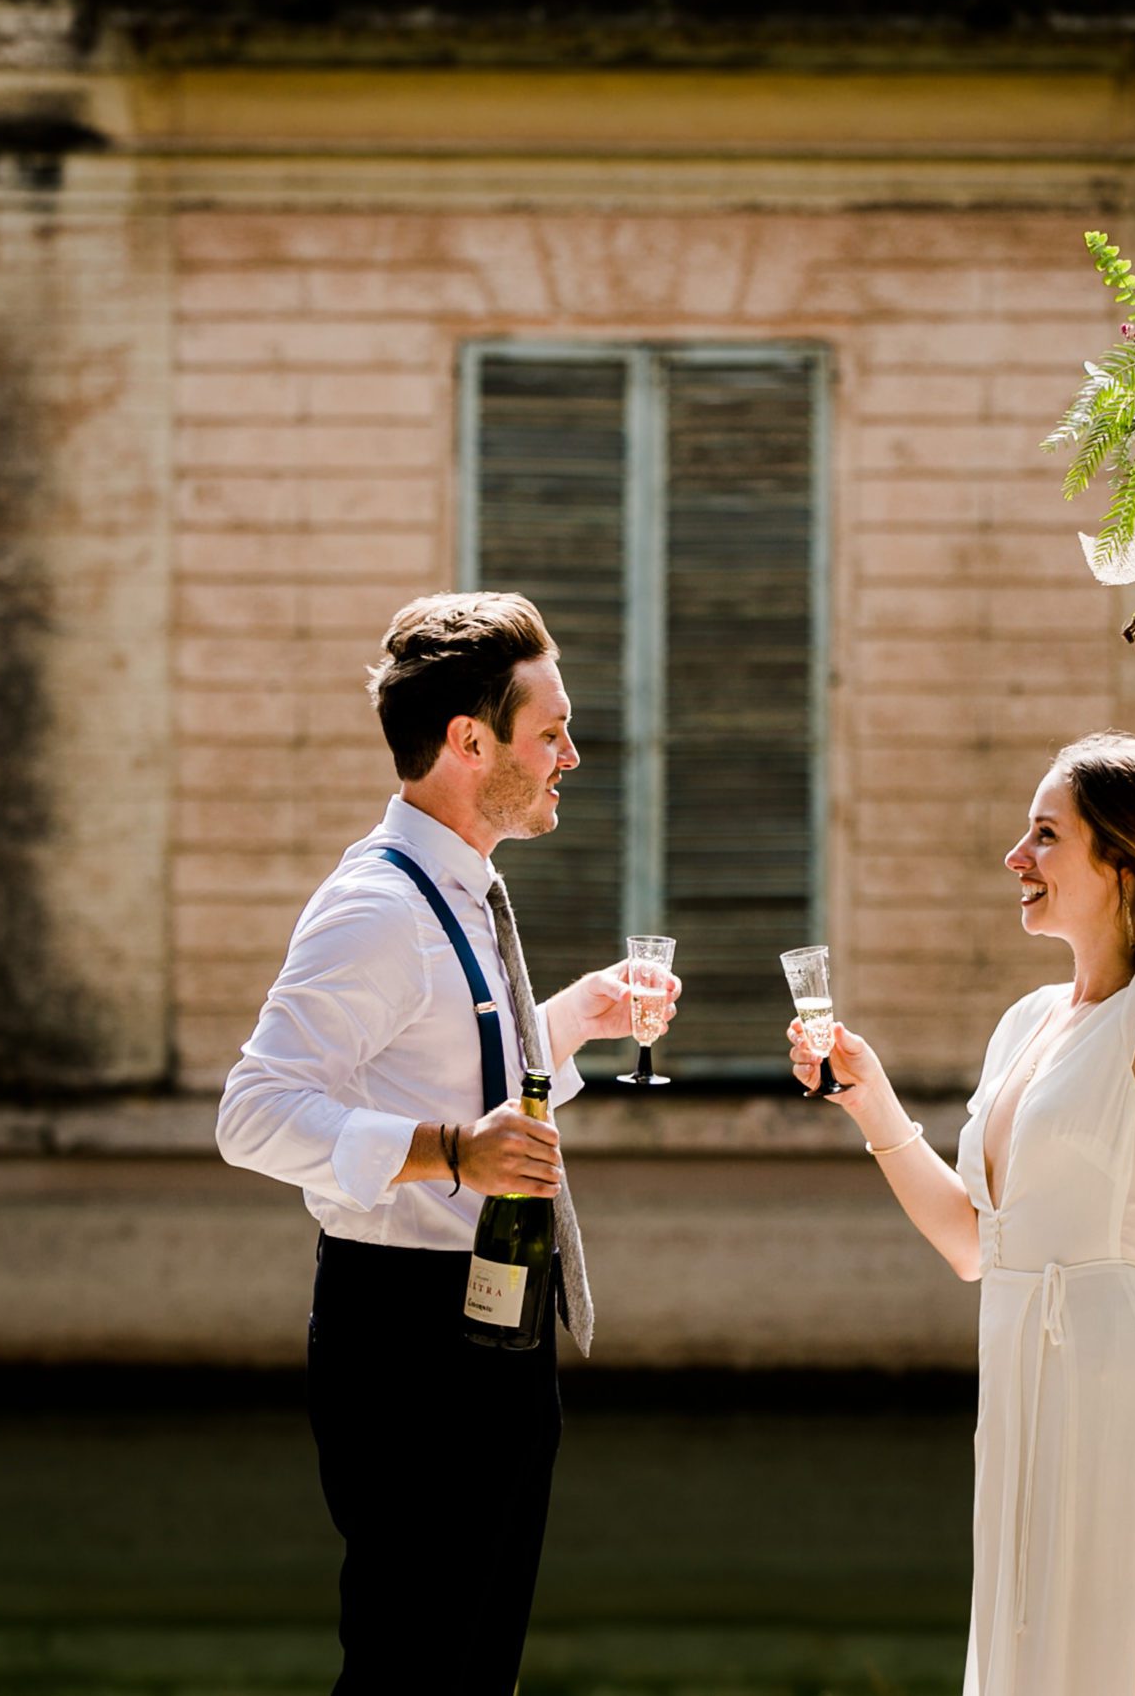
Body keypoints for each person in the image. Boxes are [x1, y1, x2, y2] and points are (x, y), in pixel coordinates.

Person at [789, 514, 1135, 1695]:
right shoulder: (1023, 1028)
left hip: (1111, 1390)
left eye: (1043, 835)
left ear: (1119, 864)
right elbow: (973, 1247)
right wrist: (872, 1102)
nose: (1016, 856)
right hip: (1020, 1393)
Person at [215, 591, 676, 1696]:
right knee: (410, 1669)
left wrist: (575, 1018)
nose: (572, 752)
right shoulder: (375, 907)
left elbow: (462, 1067)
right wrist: (449, 1155)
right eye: (549, 730)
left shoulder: (458, 888)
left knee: (472, 1670)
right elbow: (254, 1112)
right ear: (471, 742)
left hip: (493, 1331)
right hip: (410, 1337)